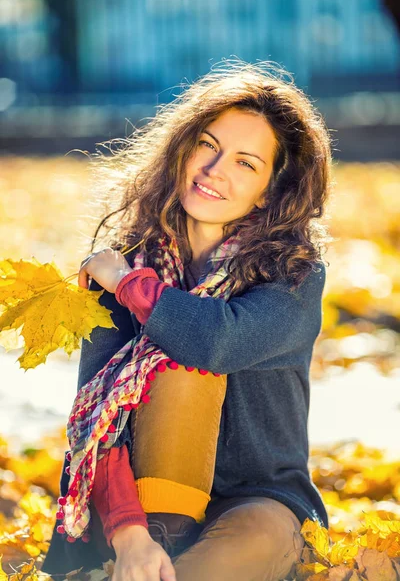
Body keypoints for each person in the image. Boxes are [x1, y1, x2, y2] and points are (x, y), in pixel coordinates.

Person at [42, 59, 332, 581]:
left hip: (257, 500)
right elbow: (97, 419)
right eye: (207, 144)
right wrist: (130, 535)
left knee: (180, 352)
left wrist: (131, 288)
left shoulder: (293, 275)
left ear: (269, 190)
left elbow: (213, 340)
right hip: (140, 510)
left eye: (246, 163)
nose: (215, 169)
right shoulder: (124, 262)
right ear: (182, 150)